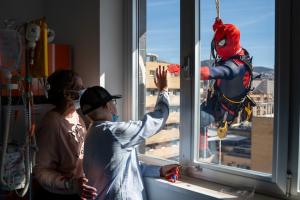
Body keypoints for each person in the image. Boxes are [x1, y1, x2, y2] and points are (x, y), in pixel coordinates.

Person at [80, 66, 180, 200]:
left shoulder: (91, 134)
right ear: (107, 105)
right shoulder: (114, 132)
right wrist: (163, 90)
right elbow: (157, 120)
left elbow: (126, 166)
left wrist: (159, 171)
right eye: (113, 102)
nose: (115, 106)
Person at [34, 69, 97, 200]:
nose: (84, 90)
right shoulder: (52, 123)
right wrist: (70, 185)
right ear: (67, 93)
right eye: (80, 88)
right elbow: (41, 171)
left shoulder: (77, 116)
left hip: (78, 191)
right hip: (59, 194)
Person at [199, 18, 255, 157]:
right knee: (199, 116)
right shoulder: (238, 53)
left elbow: (215, 72)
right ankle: (202, 150)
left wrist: (187, 70)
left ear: (230, 42)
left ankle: (202, 151)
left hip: (224, 110)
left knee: (196, 118)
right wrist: (220, 29)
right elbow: (226, 39)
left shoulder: (235, 67)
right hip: (220, 100)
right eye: (216, 42)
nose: (217, 46)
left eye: (221, 43)